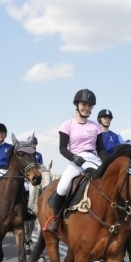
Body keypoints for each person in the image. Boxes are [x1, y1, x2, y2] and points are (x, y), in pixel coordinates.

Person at [45, 89, 107, 234]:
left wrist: (106, 163)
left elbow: (101, 149)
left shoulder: (95, 126)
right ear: (77, 105)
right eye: (84, 104)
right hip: (76, 160)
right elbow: (62, 148)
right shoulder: (68, 125)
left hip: (93, 159)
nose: (87, 108)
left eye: (90, 105)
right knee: (62, 187)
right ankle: (57, 218)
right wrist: (73, 157)